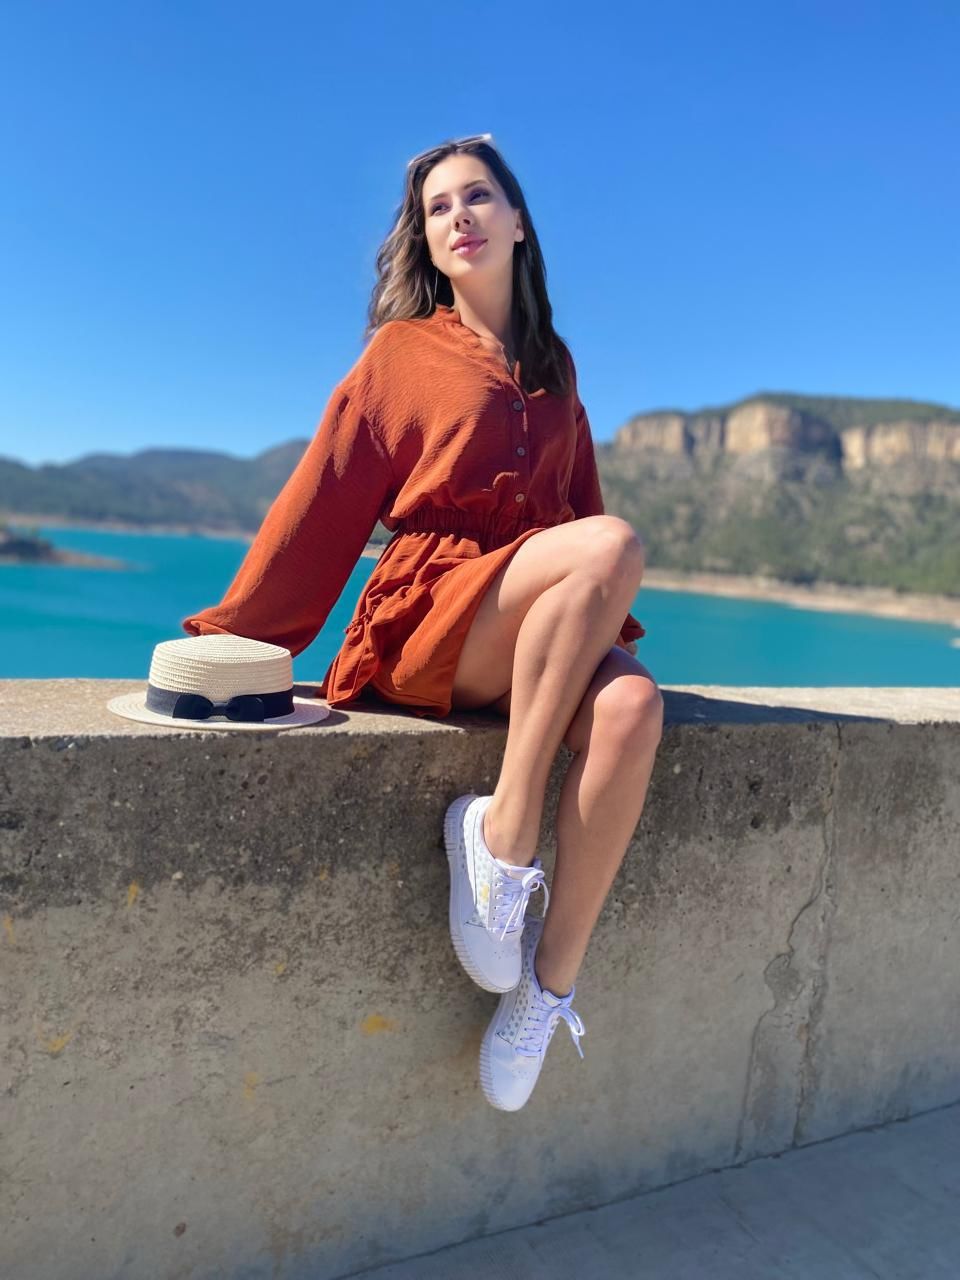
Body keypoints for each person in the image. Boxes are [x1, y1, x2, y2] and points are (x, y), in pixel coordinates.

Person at [182, 133, 664, 1111]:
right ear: (429, 241)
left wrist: (594, 639)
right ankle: (504, 835)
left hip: (527, 623)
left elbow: (575, 522)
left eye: (477, 196)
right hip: (428, 612)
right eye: (438, 208)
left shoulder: (556, 370)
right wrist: (235, 640)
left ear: (518, 222)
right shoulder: (401, 352)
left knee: (631, 707)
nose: (458, 217)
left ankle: (544, 991)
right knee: (612, 545)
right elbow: (322, 498)